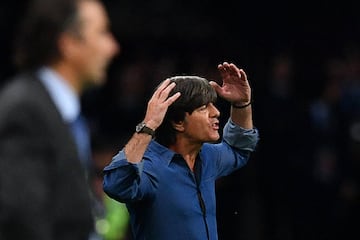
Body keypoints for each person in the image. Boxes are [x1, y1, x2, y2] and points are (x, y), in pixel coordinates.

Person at [0, 0, 119, 239]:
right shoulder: (25, 111)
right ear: (69, 44)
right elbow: (23, 226)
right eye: (102, 33)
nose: (112, 47)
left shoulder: (61, 114)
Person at [103, 62, 259, 240]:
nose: (216, 112)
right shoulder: (149, 165)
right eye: (203, 108)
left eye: (213, 105)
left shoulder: (207, 155)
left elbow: (238, 149)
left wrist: (241, 104)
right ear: (178, 122)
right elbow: (116, 186)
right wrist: (149, 124)